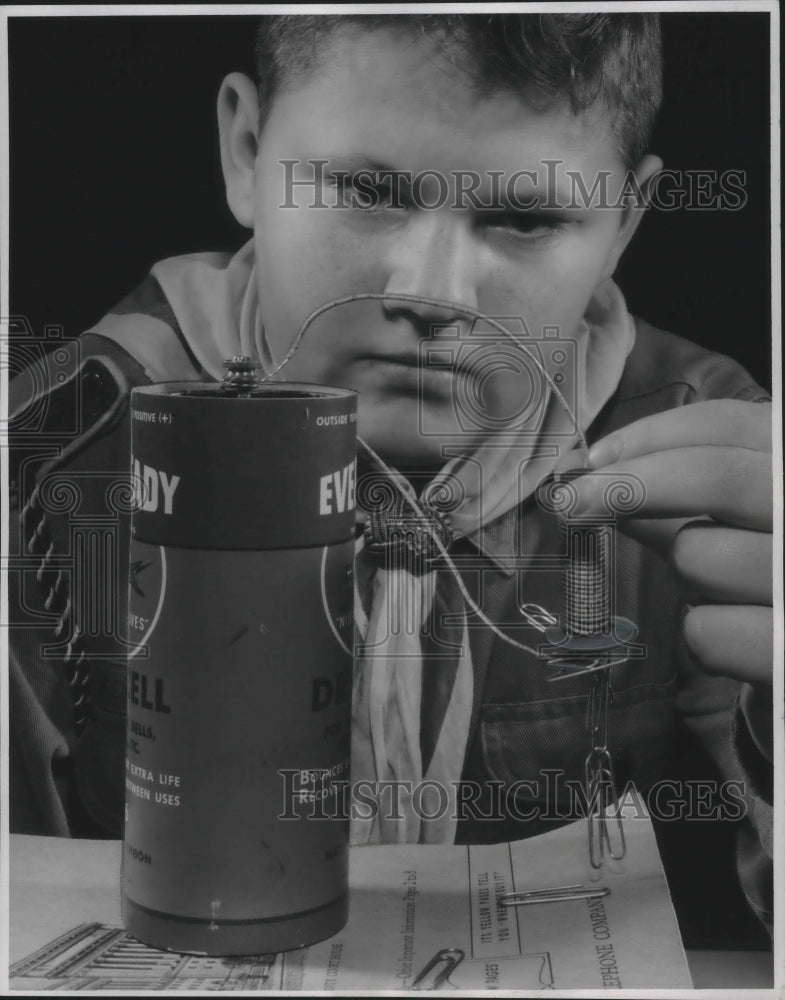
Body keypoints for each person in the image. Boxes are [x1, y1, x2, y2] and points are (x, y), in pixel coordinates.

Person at [8, 13, 773, 938]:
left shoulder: (708, 455)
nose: (437, 294)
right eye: (369, 190)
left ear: (623, 224)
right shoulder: (54, 452)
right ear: (246, 150)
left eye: (527, 216)